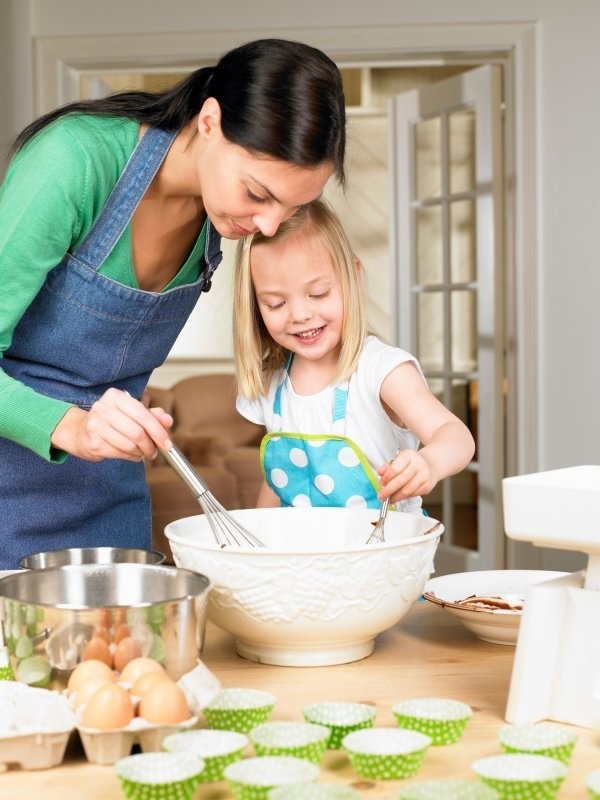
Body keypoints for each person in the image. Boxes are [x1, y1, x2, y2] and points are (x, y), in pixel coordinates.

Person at [0, 39, 346, 568]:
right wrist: (73, 427)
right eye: (257, 193)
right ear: (210, 120)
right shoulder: (74, 159)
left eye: (292, 205)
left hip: (109, 499)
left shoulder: (217, 216)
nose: (269, 226)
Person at [234, 199, 475, 513]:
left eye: (318, 293)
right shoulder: (273, 381)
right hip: (304, 558)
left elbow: (457, 437)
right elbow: (279, 481)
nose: (300, 314)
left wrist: (430, 463)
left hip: (383, 555)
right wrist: (257, 541)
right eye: (276, 304)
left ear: (353, 276)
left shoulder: (382, 371)